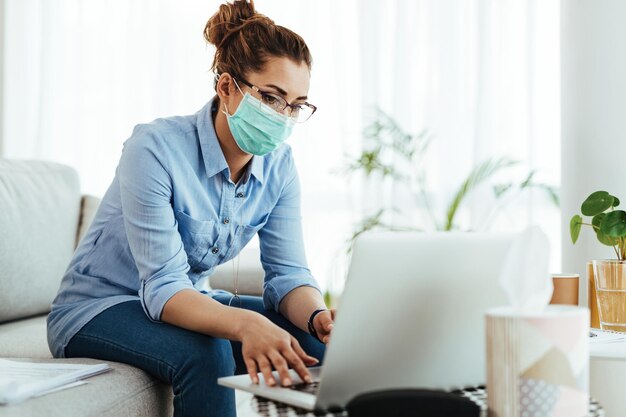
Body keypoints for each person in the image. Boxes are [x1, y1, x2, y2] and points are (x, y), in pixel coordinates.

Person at [46, 1, 335, 415]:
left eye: (296, 104)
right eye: (271, 98)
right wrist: (246, 323)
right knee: (208, 351)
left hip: (189, 297)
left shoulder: (281, 166)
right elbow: (164, 286)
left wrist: (317, 317)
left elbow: (288, 275)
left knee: (312, 344)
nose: (284, 117)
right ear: (226, 88)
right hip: (99, 308)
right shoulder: (154, 148)